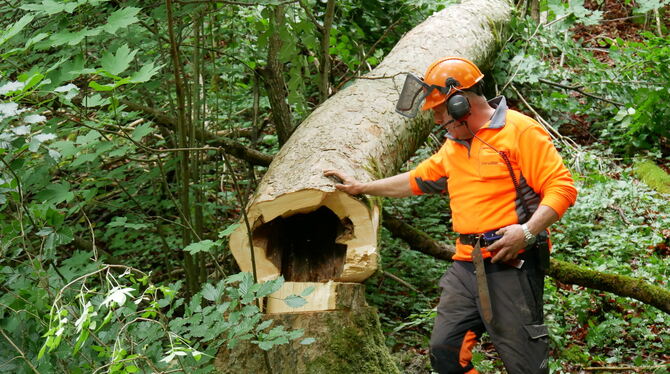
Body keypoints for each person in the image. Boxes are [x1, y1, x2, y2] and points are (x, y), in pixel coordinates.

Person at [324, 56, 577, 374]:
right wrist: (362, 186)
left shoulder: (519, 131)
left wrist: (526, 231)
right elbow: (415, 180)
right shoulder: (453, 147)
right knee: (445, 352)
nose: (435, 120)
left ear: (460, 104)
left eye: (438, 111)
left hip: (512, 261)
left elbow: (562, 188)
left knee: (525, 365)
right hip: (466, 264)